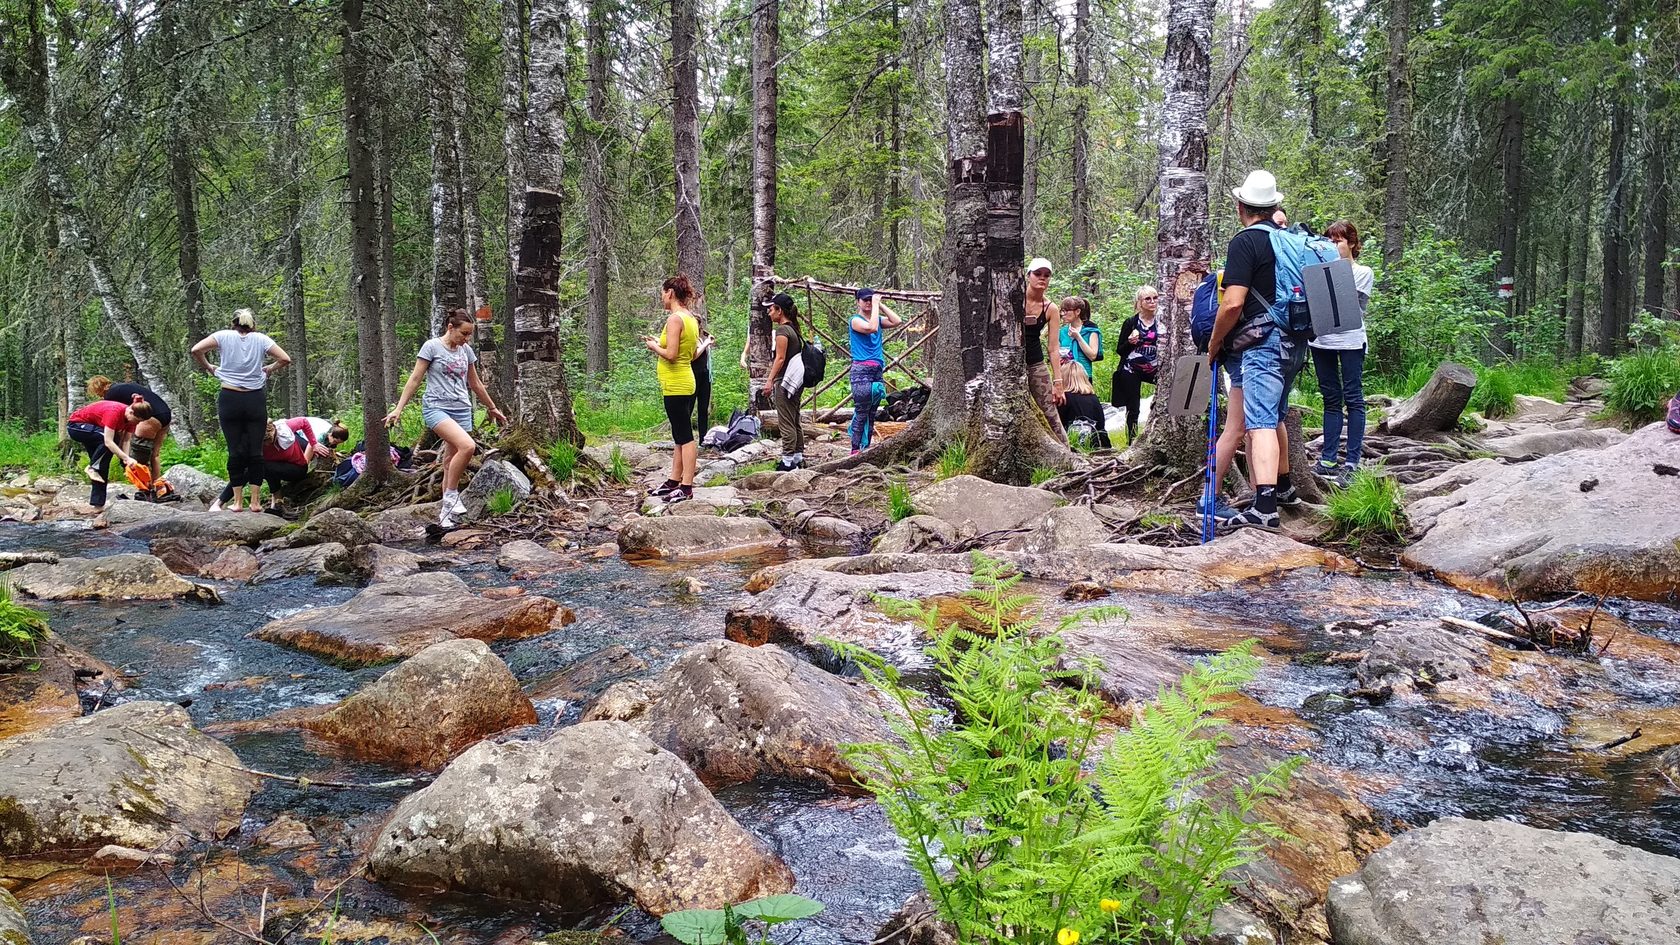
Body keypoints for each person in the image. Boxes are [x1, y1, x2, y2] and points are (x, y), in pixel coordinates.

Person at [1206, 170, 1290, 529]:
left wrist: (1215, 341)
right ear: (1273, 206)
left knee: (1260, 424)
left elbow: (1233, 304)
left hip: (1260, 343)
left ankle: (1265, 506)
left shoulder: (1245, 242)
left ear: (1241, 207)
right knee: (1275, 416)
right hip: (1294, 340)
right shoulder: (1288, 240)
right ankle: (1284, 489)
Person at [384, 308, 510, 528]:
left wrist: (492, 408)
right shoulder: (431, 347)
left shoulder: (466, 351)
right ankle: (452, 495)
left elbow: (475, 383)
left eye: (469, 334)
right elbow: (415, 379)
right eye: (463, 333)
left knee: (450, 462)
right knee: (468, 447)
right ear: (450, 328)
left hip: (461, 409)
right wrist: (398, 409)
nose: (466, 338)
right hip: (436, 408)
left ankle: (446, 516)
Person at [191, 308, 291, 512]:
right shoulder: (261, 339)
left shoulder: (222, 336)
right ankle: (255, 503)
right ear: (252, 324)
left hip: (230, 398)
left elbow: (196, 350)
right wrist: (269, 369)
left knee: (235, 451)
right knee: (256, 451)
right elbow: (285, 359)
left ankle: (237, 502)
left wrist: (210, 366)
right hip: (255, 399)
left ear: (233, 323)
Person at [1311, 220, 1374, 481]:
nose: (1333, 245)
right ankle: (1328, 458)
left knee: (1354, 397)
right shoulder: (1316, 271)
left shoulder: (1363, 272)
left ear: (1351, 243)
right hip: (1321, 340)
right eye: (1329, 240)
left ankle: (1352, 462)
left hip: (1350, 341)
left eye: (1337, 240)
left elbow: (1349, 305)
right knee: (1330, 398)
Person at [642, 275, 701, 502]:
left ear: (670, 293)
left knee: (685, 435)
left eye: (662, 292)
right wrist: (661, 342)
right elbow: (693, 353)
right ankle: (674, 480)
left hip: (677, 383)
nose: (661, 297)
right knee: (679, 434)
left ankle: (686, 486)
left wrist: (654, 346)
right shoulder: (690, 319)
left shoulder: (675, 319)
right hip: (685, 381)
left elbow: (672, 355)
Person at [67, 398, 151, 510]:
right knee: (111, 440)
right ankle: (92, 468)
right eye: (136, 420)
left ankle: (98, 504)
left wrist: (126, 460)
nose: (137, 423)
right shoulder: (114, 412)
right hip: (76, 427)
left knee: (103, 463)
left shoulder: (131, 420)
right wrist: (125, 457)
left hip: (96, 431)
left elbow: (126, 441)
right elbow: (108, 441)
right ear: (130, 412)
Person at [88, 376, 172, 486]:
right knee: (155, 454)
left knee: (139, 452)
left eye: (98, 393)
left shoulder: (110, 395)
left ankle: (143, 488)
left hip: (151, 416)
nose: (100, 396)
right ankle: (157, 485)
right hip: (165, 414)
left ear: (99, 388)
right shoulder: (124, 387)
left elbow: (116, 421)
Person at [848, 288, 902, 454]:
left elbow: (897, 321)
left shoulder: (877, 318)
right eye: (865, 300)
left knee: (872, 412)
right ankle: (855, 449)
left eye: (870, 300)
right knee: (861, 411)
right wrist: (876, 306)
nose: (868, 303)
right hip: (861, 371)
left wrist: (881, 304)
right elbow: (871, 327)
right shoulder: (855, 320)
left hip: (876, 370)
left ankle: (866, 447)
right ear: (858, 301)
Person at [261, 417, 350, 514]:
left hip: (298, 437)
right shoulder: (321, 434)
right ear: (331, 435)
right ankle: (276, 501)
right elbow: (311, 445)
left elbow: (318, 446)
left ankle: (277, 501)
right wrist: (306, 459)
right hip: (298, 434)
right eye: (335, 441)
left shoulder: (331, 432)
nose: (334, 443)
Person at [761, 292, 806, 471]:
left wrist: (770, 380)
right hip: (797, 381)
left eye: (771, 309)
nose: (769, 313)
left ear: (779, 311)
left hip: (785, 381)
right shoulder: (794, 329)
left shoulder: (782, 331)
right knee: (795, 419)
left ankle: (787, 462)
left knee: (786, 421)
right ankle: (797, 456)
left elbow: (780, 358)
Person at [1023, 258, 1066, 438]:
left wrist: (1058, 382)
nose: (1042, 278)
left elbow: (1054, 348)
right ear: (1028, 276)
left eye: (1046, 275)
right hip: (1006, 362)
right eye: (1038, 274)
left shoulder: (1051, 308)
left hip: (1035, 362)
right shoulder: (1014, 298)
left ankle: (1066, 454)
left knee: (1050, 412)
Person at [1113, 285, 1162, 443]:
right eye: (1148, 299)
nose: (1152, 302)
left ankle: (1159, 434)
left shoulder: (1163, 320)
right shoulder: (1131, 323)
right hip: (1131, 369)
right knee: (1133, 408)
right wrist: (1129, 342)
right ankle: (1132, 440)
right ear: (1139, 303)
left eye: (1155, 298)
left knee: (1165, 399)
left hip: (1156, 368)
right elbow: (1120, 350)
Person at [1056, 359, 1111, 449]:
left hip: (1070, 444)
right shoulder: (1093, 398)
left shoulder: (1063, 398)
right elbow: (1101, 426)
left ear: (1063, 378)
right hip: (1093, 443)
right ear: (1084, 377)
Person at [1057, 295, 1102, 383]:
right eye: (1062, 311)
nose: (1063, 314)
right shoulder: (1062, 332)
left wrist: (1078, 337)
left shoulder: (1090, 331)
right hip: (1066, 376)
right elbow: (1057, 354)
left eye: (1066, 311)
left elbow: (1093, 356)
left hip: (1084, 376)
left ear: (1077, 312)